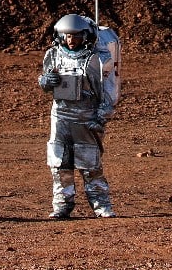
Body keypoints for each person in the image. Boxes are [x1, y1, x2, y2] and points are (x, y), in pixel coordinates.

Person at [37, 14, 117, 219]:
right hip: (61, 116)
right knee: (59, 164)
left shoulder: (96, 60)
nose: (71, 40)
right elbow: (44, 82)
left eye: (76, 36)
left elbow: (107, 91)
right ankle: (62, 205)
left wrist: (101, 117)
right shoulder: (53, 55)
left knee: (90, 165)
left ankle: (101, 204)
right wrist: (47, 80)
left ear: (86, 36)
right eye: (67, 36)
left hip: (86, 118)